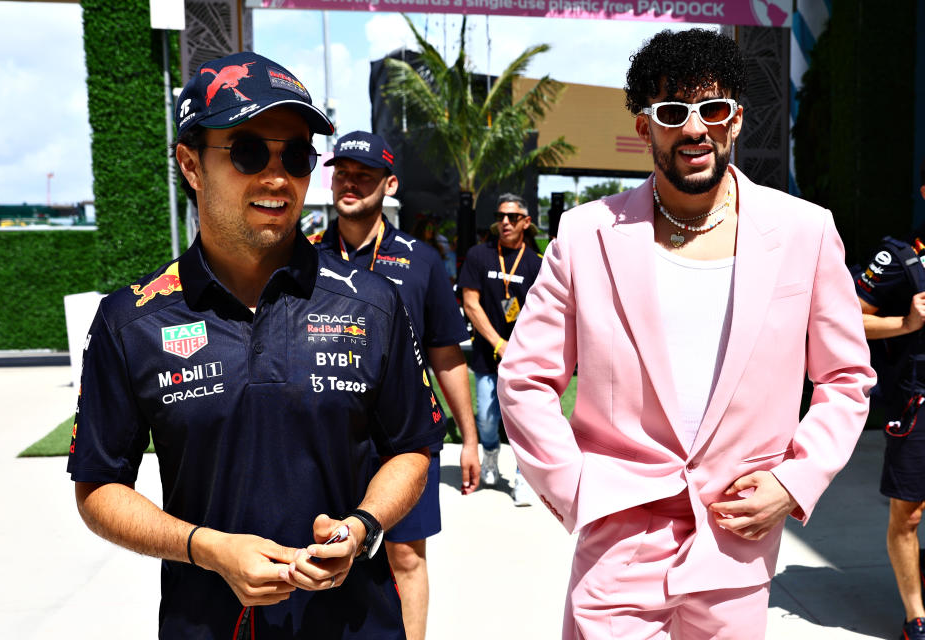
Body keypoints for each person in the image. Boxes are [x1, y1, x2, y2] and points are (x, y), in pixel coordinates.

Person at [496, 28, 874, 639]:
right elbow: (524, 378)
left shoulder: (804, 232)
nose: (695, 128)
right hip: (616, 544)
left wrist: (794, 481)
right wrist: (578, 491)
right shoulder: (586, 234)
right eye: (674, 112)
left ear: (737, 121)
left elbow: (846, 377)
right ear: (645, 128)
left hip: (737, 541)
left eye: (714, 109)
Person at [67, 52, 439, 639]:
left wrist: (363, 527)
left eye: (295, 155)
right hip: (208, 624)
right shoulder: (130, 320)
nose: (276, 177)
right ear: (191, 165)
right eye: (247, 152)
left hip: (355, 625)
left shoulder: (371, 303)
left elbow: (413, 447)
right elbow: (98, 487)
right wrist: (206, 548)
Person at [312, 130, 480, 640]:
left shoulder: (422, 260)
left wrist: (470, 439)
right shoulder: (305, 255)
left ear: (389, 184)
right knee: (326, 549)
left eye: (364, 175)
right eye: (342, 173)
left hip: (404, 439)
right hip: (330, 435)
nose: (350, 183)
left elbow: (446, 354)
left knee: (405, 555)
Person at [855, 160, 925, 640]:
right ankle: (915, 617)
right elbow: (849, 317)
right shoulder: (900, 257)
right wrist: (906, 324)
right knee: (909, 512)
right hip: (918, 404)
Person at [457, 193, 542, 505]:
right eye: (501, 216)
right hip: (487, 354)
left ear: (526, 222)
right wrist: (498, 343)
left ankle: (523, 477)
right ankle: (490, 454)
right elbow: (470, 302)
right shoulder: (479, 256)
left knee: (524, 419)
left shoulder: (536, 264)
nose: (505, 222)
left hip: (525, 358)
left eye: (513, 217)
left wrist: (521, 348)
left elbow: (544, 313)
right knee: (488, 419)